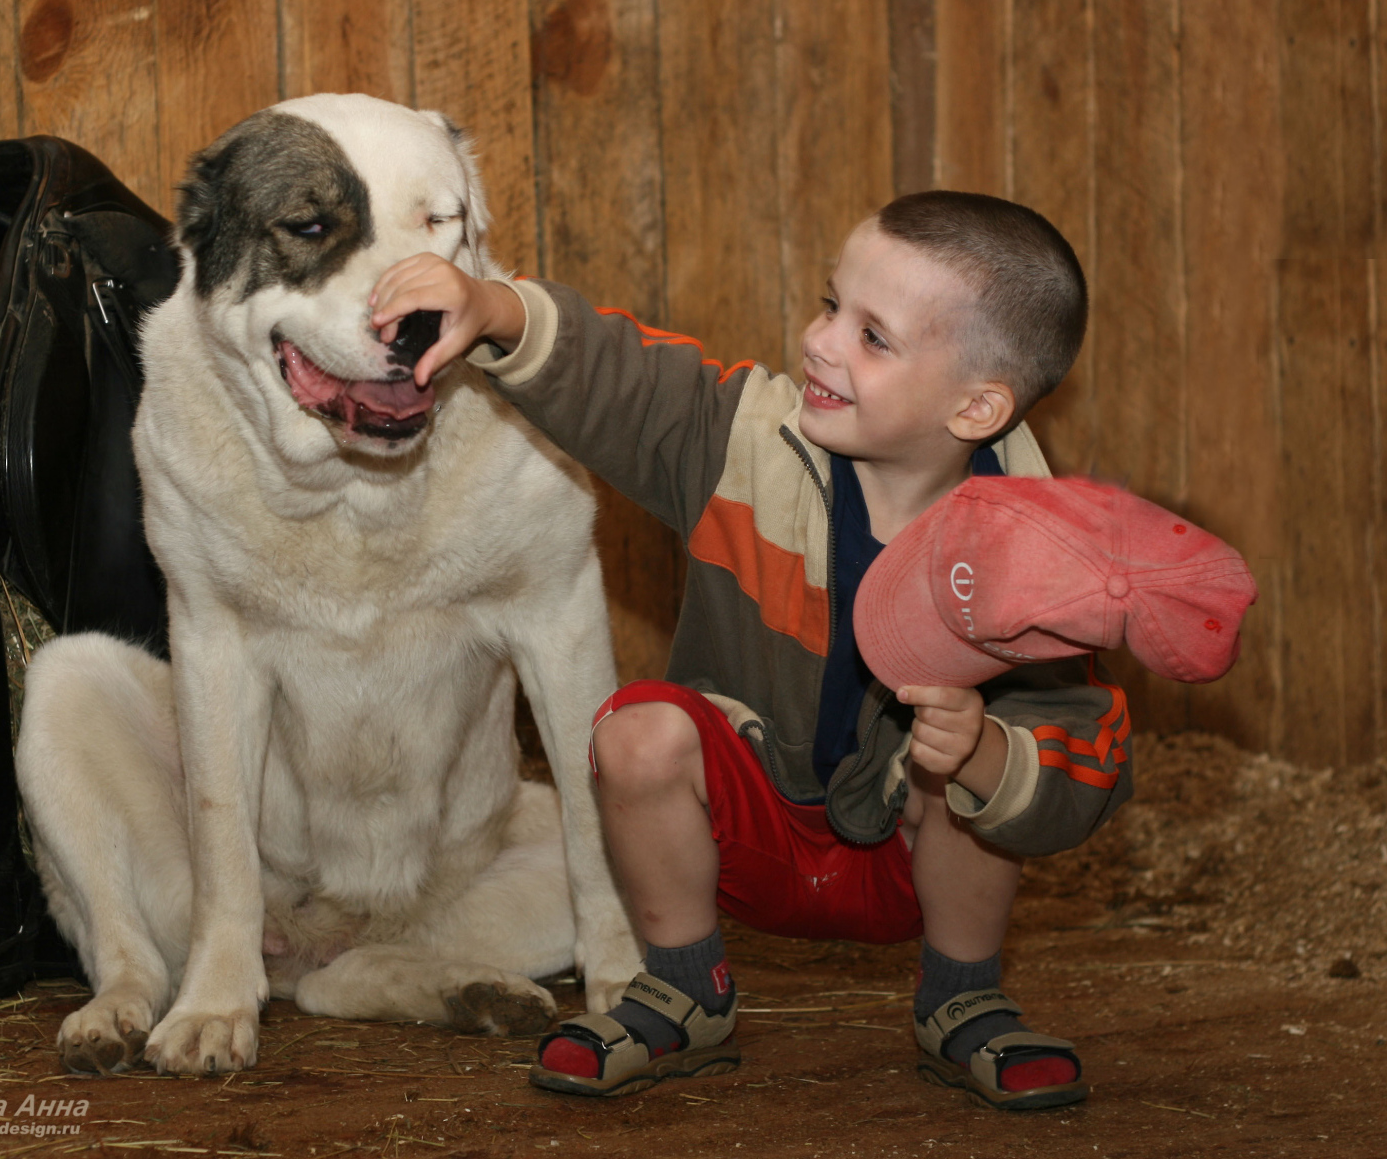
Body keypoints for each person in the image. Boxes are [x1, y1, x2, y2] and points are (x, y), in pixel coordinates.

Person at [369, 191, 1122, 1111]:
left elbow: (1089, 760)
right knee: (635, 732)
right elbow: (626, 380)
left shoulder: (1035, 561)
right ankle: (684, 991)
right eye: (828, 303)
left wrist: (989, 752)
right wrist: (493, 308)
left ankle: (963, 1000)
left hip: (909, 855)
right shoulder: (748, 443)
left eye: (873, 337)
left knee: (966, 766)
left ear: (977, 406)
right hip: (750, 837)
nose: (822, 341)